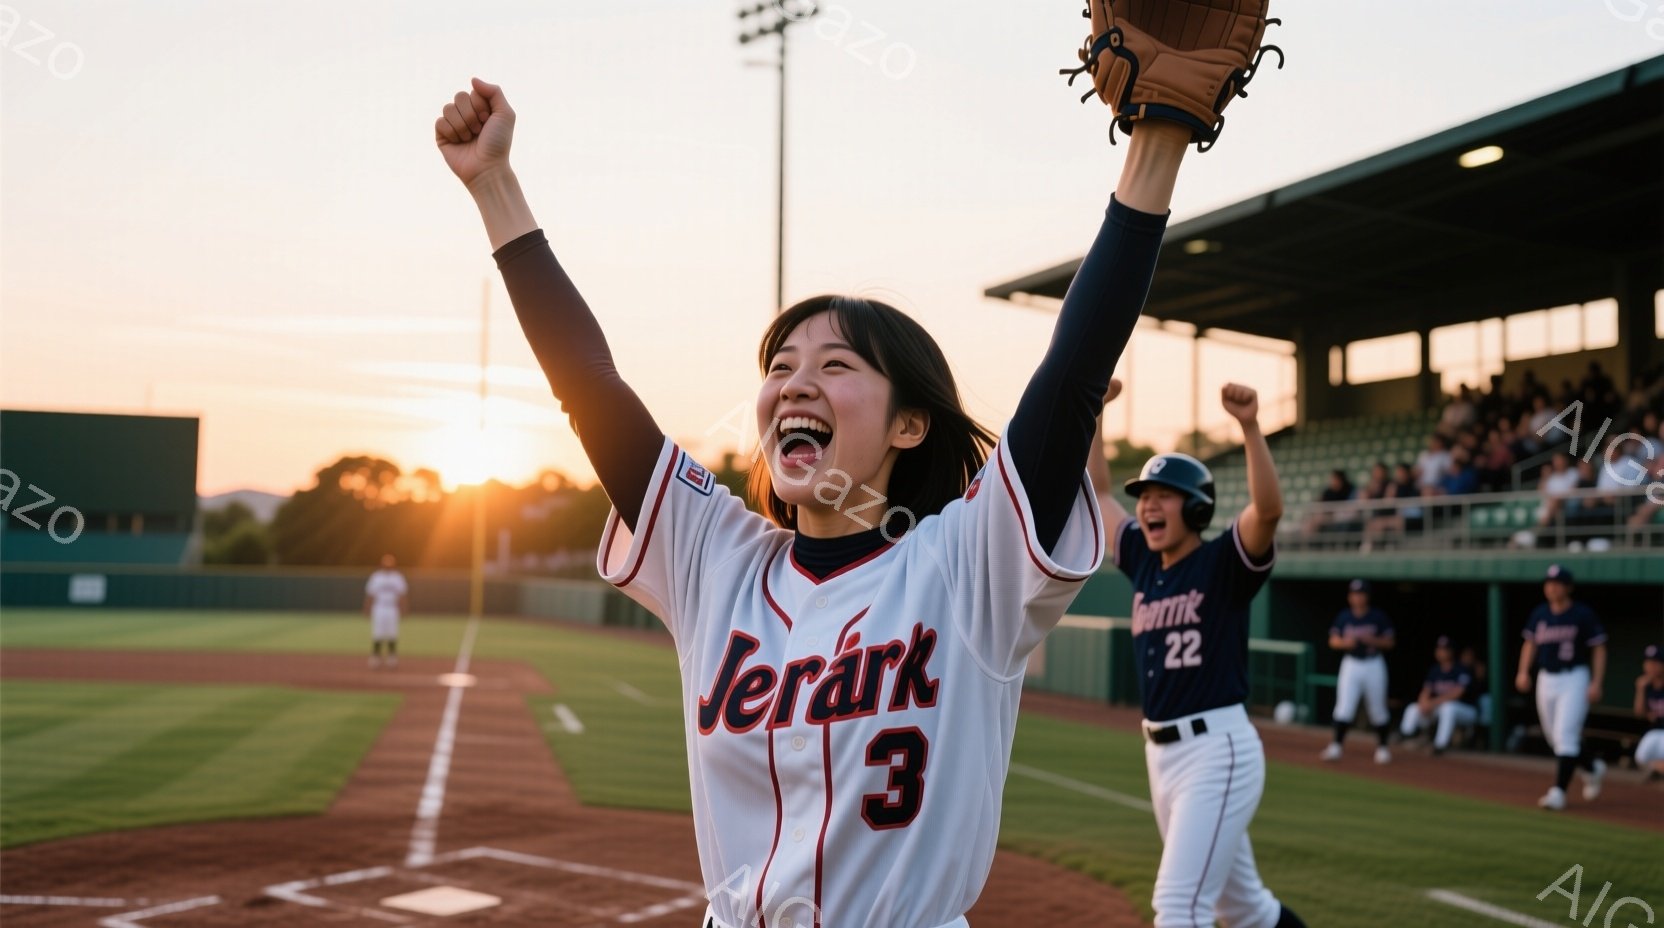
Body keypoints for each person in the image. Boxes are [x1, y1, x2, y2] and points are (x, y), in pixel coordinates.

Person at [433, 46, 1245, 924]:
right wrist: (495, 187)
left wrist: (1156, 141)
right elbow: (590, 384)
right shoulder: (717, 559)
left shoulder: (967, 563)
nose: (795, 384)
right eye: (780, 367)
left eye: (837, 364)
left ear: (909, 423)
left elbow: (1075, 368)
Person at [1094, 381, 1307, 928]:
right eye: (1144, 496)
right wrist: (1096, 413)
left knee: (1178, 907)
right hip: (1161, 755)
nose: (1148, 505)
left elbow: (1269, 509)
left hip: (1217, 749)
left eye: (1162, 495)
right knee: (1245, 909)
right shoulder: (1144, 559)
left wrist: (1251, 427)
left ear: (1196, 507)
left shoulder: (1221, 566)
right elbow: (1097, 493)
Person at [1515, 564, 1608, 811]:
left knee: (1565, 736)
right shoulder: (1540, 614)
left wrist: (1597, 682)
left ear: (1568, 587)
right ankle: (1591, 766)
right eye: (1549, 583)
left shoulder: (1582, 614)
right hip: (1547, 678)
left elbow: (1599, 648)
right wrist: (1523, 671)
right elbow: (1530, 643)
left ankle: (1558, 793)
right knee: (1557, 739)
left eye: (1557, 583)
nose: (1552, 587)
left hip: (1574, 677)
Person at [1321, 579, 1394, 764]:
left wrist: (1372, 640)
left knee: (1377, 708)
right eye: (1354, 594)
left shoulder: (1377, 616)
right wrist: (1346, 643)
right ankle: (1336, 746)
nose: (1357, 597)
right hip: (1351, 663)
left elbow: (1390, 642)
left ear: (1367, 596)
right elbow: (1333, 641)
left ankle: (1383, 748)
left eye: (1361, 594)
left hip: (1373, 662)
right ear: (1349, 596)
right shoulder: (1345, 616)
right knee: (1344, 707)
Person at [1399, 636, 1477, 756]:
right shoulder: (1435, 670)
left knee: (1448, 707)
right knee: (1413, 708)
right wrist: (1423, 703)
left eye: (1445, 649)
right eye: (1439, 649)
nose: (1441, 652)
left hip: (1466, 710)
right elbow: (1425, 691)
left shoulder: (1461, 669)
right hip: (1440, 707)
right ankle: (1406, 735)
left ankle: (1440, 744)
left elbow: (1457, 694)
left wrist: (1432, 703)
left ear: (1451, 651)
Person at [364, 554, 408, 669]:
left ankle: (392, 658)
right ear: (382, 564)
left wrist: (404, 609)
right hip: (379, 608)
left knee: (392, 633)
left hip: (392, 608)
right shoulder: (376, 577)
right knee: (377, 633)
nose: (387, 566)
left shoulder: (397, 577)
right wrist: (367, 609)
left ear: (393, 565)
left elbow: (402, 595)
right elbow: (370, 595)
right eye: (385, 564)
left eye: (389, 564)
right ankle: (375, 658)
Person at [1633, 645, 1664, 781]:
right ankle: (1658, 769)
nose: (1650, 666)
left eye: (1655, 663)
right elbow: (1639, 713)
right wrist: (1640, 689)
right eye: (1648, 662)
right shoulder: (1647, 686)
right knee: (1640, 758)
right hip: (1655, 730)